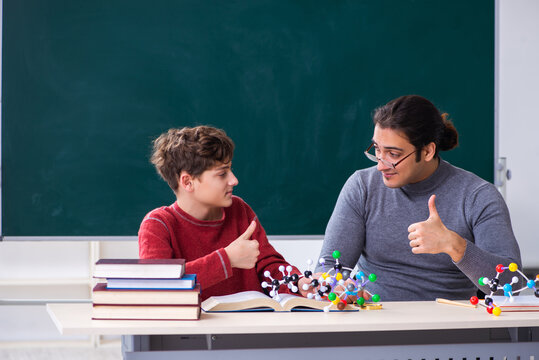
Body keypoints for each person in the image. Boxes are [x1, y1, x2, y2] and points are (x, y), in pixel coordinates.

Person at [313, 95, 521, 301]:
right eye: (377, 150)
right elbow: (330, 266)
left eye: (393, 154)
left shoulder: (478, 196)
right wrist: (340, 286)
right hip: (374, 321)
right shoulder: (362, 186)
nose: (381, 165)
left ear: (428, 151)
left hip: (449, 327)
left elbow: (514, 284)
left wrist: (455, 246)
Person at [139, 126, 304, 301]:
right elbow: (157, 288)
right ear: (187, 182)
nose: (234, 180)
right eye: (222, 173)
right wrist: (226, 260)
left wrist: (298, 283)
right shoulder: (157, 225)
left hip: (248, 325)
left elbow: (268, 265)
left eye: (230, 170)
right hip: (193, 328)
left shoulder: (239, 209)